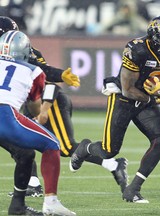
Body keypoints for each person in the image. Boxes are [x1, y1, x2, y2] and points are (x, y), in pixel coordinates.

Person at [0, 16, 129, 197]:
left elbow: (47, 80)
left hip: (50, 101)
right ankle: (33, 183)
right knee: (21, 143)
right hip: (28, 104)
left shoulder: (26, 52)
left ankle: (114, 164)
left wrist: (45, 108)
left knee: (65, 147)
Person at [70, 15, 160, 203]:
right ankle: (85, 148)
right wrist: (154, 97)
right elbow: (128, 90)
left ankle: (133, 189)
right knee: (109, 151)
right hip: (124, 98)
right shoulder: (138, 49)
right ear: (153, 37)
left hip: (148, 100)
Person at [0, 30, 75, 215]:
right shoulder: (34, 70)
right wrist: (39, 116)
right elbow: (34, 108)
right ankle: (51, 202)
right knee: (52, 144)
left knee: (25, 154)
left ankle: (17, 206)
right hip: (4, 115)